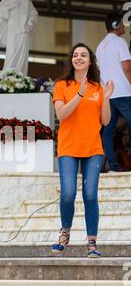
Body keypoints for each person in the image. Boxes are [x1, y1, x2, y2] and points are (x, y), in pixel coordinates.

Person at [51, 43, 114, 258]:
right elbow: (61, 115)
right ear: (71, 60)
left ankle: (92, 243)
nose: (78, 58)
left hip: (93, 149)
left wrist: (105, 98)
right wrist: (79, 93)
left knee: (90, 195)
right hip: (68, 147)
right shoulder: (61, 85)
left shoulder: (98, 88)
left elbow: (105, 120)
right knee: (68, 194)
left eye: (83, 55)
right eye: (75, 55)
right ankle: (65, 232)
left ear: (90, 61)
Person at [96, 12, 131, 171]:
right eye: (122, 24)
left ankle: (113, 165)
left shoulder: (100, 46)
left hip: (109, 94)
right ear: (116, 25)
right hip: (124, 92)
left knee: (108, 131)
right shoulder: (120, 42)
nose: (124, 26)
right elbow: (127, 69)